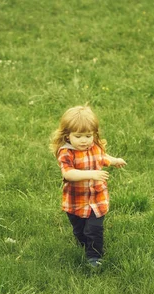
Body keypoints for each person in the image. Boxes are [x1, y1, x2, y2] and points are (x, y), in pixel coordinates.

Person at [50, 105, 127, 268]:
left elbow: (101, 157)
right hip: (75, 201)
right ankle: (82, 242)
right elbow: (68, 174)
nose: (84, 140)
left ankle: (94, 256)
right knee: (79, 230)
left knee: (94, 229)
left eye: (88, 135)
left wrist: (114, 161)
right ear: (68, 136)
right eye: (78, 136)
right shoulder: (66, 153)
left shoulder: (93, 147)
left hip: (97, 199)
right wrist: (92, 174)